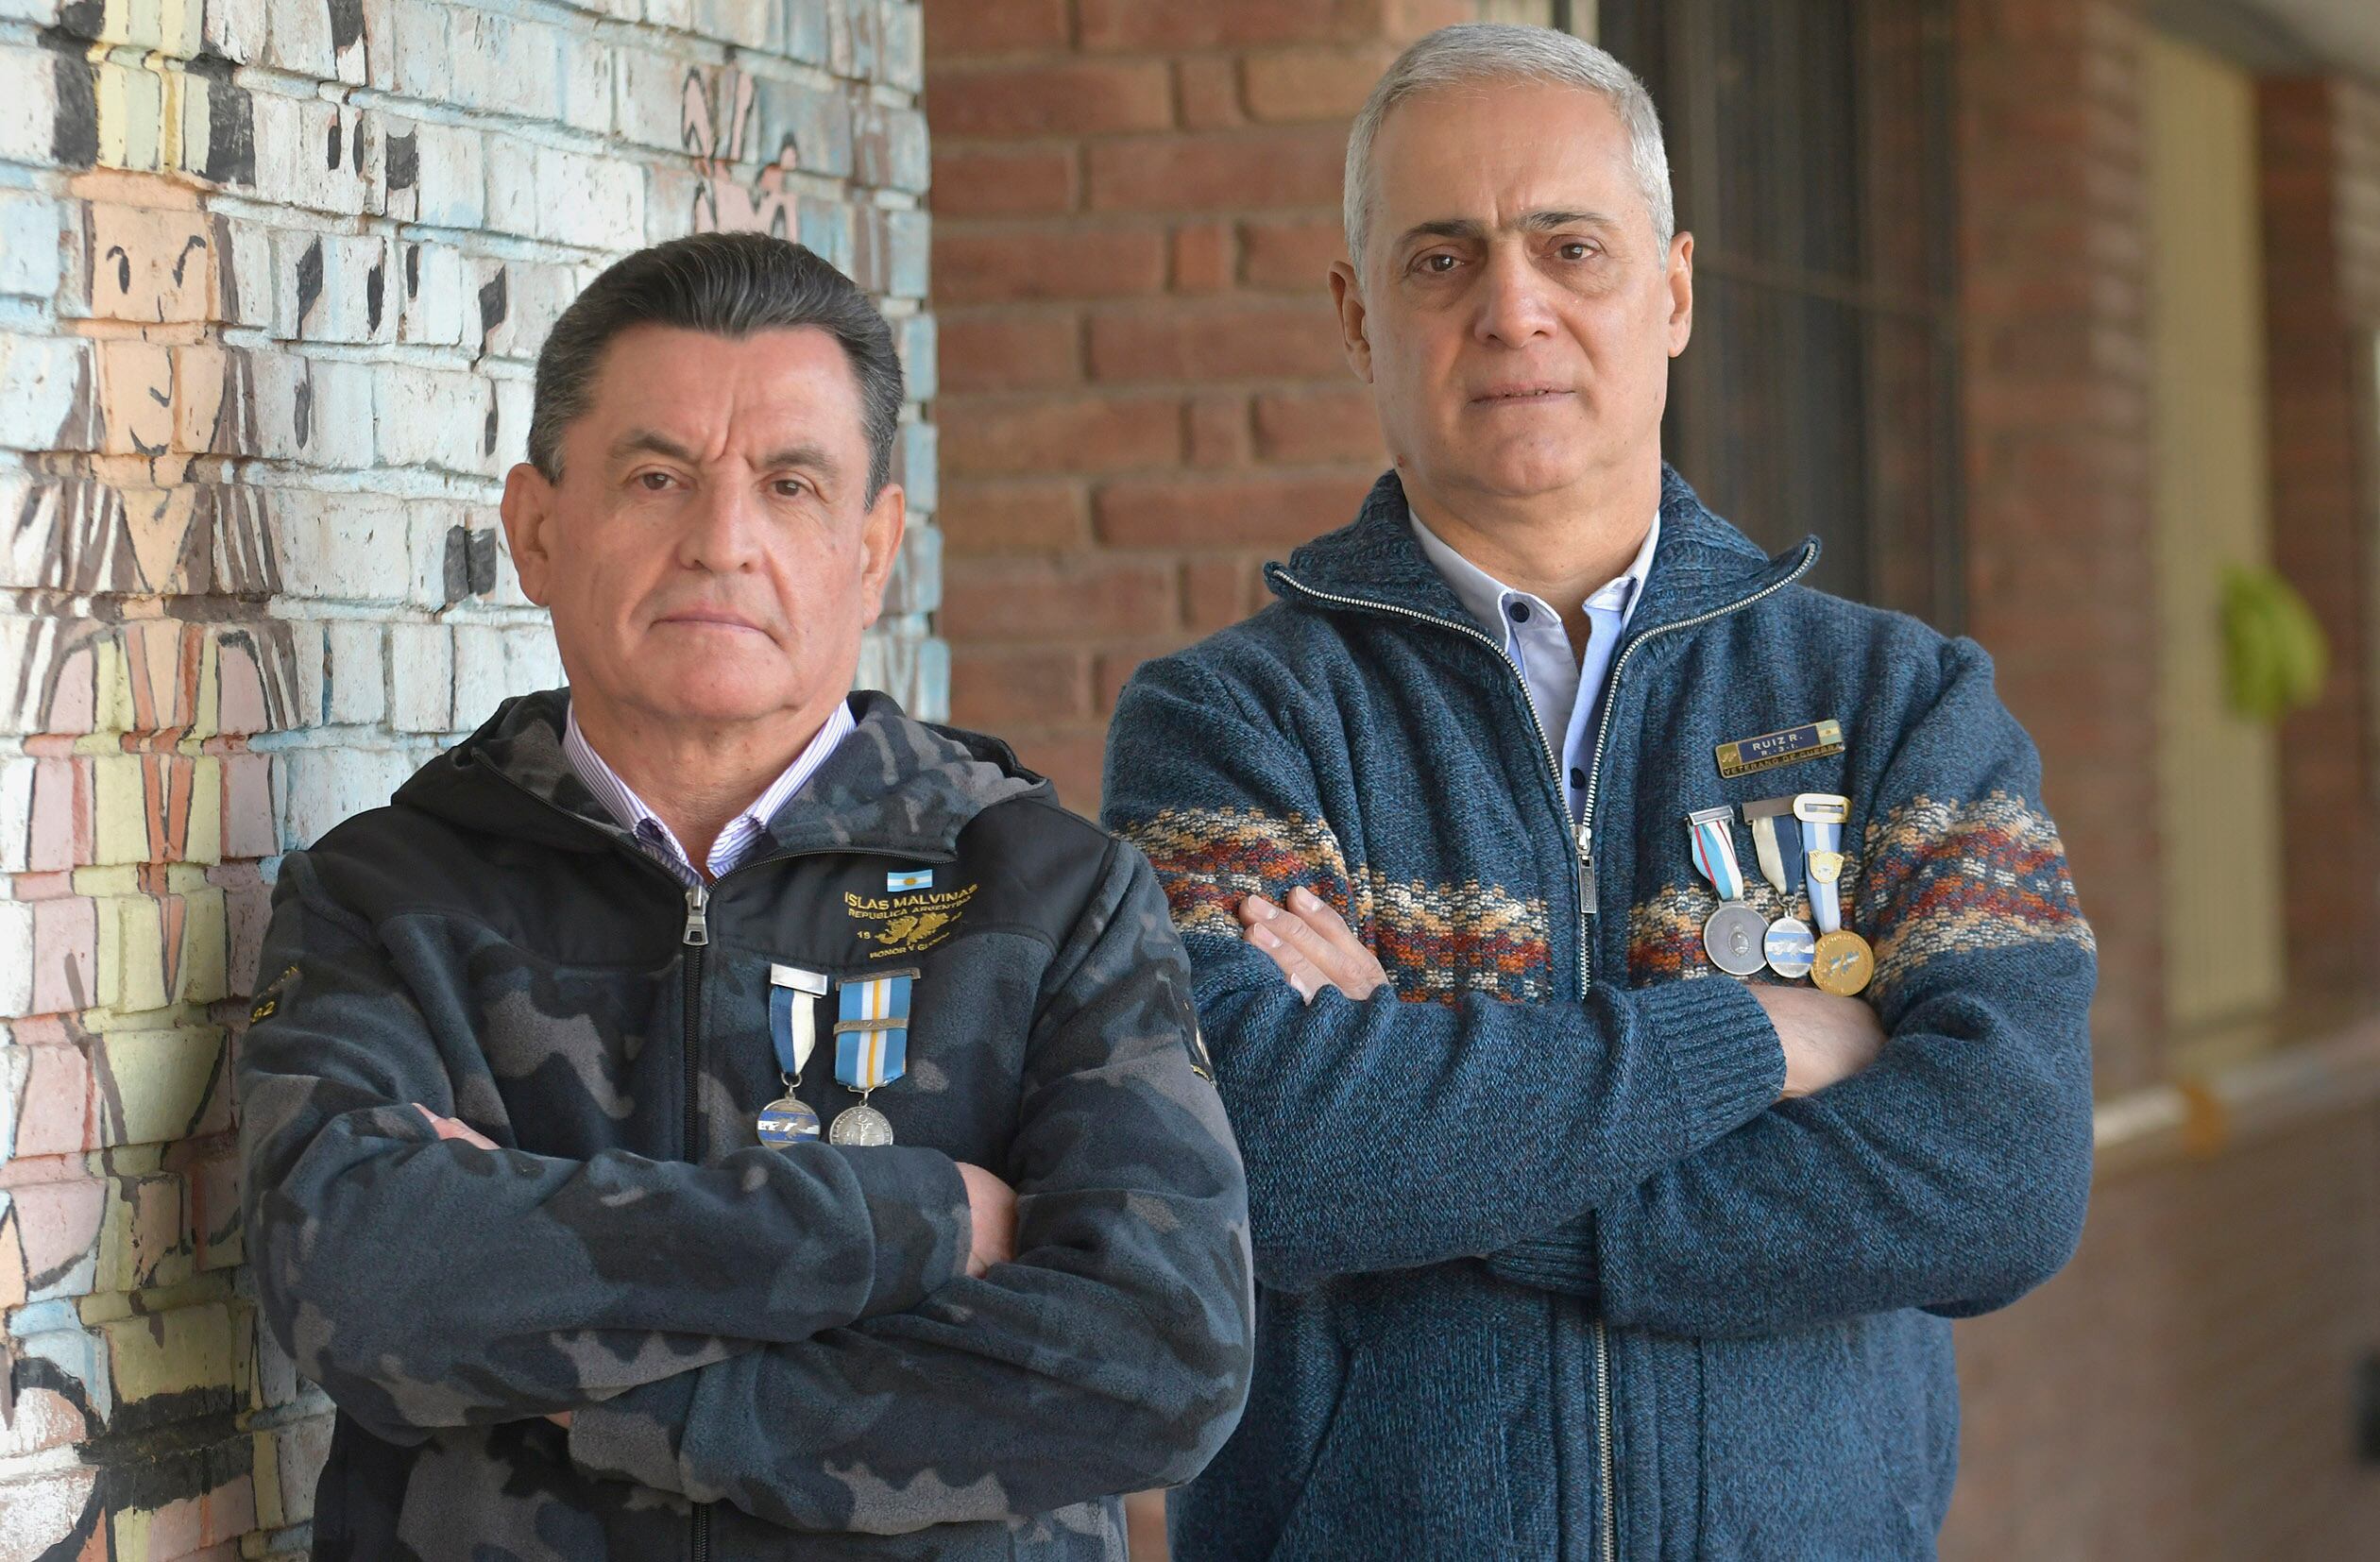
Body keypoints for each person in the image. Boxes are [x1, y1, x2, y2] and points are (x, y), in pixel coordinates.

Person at [1102, 24, 2095, 1561]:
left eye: (1572, 246)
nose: (1515, 309)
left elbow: (2003, 1176)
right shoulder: (1232, 725)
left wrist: (1431, 1102)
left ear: (1675, 291)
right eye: (1442, 260)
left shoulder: (1897, 704)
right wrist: (1760, 1038)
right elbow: (1268, 1167)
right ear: (1359, 315)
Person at [237, 232, 1252, 1561]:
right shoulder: (390, 891)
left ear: (872, 547)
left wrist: (590, 1377)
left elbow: (1161, 1357)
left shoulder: (1051, 900)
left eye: (789, 485)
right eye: (658, 476)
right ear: (537, 528)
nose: (723, 541)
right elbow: (356, 1281)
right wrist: (919, 1218)